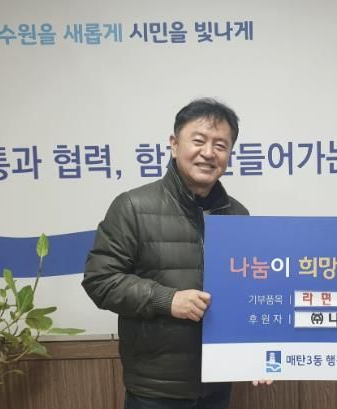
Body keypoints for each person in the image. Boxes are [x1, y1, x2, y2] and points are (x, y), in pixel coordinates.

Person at [82, 98, 249, 409]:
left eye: (220, 145)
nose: (208, 153)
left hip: (218, 383)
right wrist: (167, 300)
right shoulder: (132, 206)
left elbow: (249, 291)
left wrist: (260, 352)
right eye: (198, 141)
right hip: (155, 388)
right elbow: (100, 280)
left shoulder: (238, 215)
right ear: (174, 144)